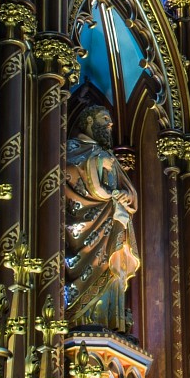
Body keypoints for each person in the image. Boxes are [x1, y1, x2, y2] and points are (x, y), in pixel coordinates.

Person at [63, 106, 141, 333]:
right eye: (104, 118)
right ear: (88, 120)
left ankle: (111, 322)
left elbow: (127, 190)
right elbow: (65, 173)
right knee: (91, 267)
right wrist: (96, 165)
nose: (109, 124)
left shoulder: (107, 155)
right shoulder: (73, 149)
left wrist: (125, 195)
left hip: (113, 224)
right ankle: (82, 320)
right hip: (86, 227)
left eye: (110, 121)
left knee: (113, 270)